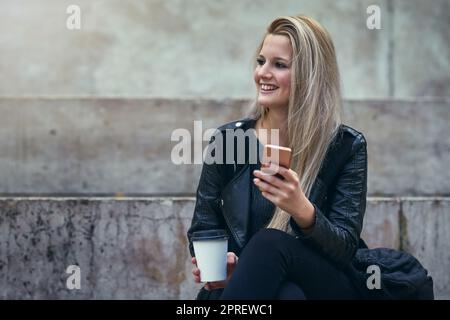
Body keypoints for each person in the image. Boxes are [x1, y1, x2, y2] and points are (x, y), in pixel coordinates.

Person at [187, 15, 368, 300]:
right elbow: (204, 226)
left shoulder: (346, 146)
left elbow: (345, 248)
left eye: (279, 65)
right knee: (287, 296)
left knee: (271, 243)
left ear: (310, 76)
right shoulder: (228, 141)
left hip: (326, 283)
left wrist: (302, 211)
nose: (263, 73)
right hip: (256, 286)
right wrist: (225, 263)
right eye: (261, 62)